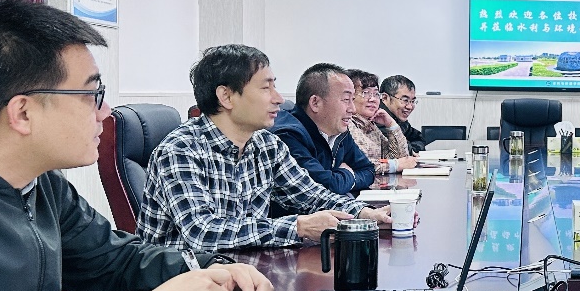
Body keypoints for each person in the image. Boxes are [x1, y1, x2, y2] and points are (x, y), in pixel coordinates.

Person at [0, 0, 272, 291]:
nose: (105, 114)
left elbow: (110, 261)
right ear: (23, 113)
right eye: (92, 95)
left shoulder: (41, 183)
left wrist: (206, 269)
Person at [137, 45, 391, 251]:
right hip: (185, 284)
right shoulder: (181, 150)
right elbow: (202, 233)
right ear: (226, 96)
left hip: (245, 272)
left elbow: (311, 196)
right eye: (265, 88)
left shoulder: (267, 145)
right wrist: (298, 227)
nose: (278, 98)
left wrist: (363, 213)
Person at [271, 63, 376, 195]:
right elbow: (322, 186)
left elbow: (368, 170)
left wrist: (341, 178)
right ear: (315, 103)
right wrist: (347, 174)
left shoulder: (338, 131)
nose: (353, 109)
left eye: (352, 99)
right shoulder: (288, 135)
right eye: (346, 99)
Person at [346, 69, 417, 175]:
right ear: (349, 96)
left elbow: (401, 158)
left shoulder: (370, 125)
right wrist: (395, 165)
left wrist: (391, 125)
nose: (373, 99)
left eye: (375, 94)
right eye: (366, 93)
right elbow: (359, 167)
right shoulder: (346, 125)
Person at [381, 74, 425, 154]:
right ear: (385, 98)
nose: (410, 107)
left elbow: (418, 138)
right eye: (405, 100)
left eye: (412, 101)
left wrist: (411, 150)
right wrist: (410, 151)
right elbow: (397, 151)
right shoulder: (378, 119)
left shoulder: (399, 118)